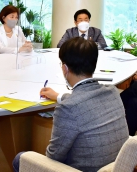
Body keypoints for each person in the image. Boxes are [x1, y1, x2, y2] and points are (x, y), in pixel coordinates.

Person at [13, 37, 128, 172]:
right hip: (117, 166)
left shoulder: (68, 108)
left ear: (65, 68)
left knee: (20, 159)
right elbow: (86, 101)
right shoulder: (112, 92)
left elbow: (54, 157)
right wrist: (59, 96)